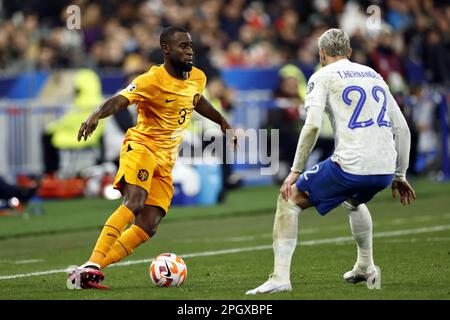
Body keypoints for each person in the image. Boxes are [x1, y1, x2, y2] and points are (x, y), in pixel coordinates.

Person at [246, 28, 416, 295]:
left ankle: (279, 277)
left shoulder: (321, 76)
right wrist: (400, 175)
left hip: (350, 165)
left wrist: (294, 171)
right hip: (383, 169)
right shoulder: (374, 75)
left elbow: (312, 126)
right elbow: (402, 129)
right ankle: (365, 266)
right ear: (349, 52)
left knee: (288, 198)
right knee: (353, 200)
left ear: (321, 53)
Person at [67, 26, 237, 289]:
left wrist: (221, 120)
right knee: (135, 201)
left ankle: (88, 272)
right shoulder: (151, 79)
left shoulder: (198, 77)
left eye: (190, 45)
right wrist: (96, 115)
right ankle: (92, 262)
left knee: (149, 224)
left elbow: (196, 100)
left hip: (166, 159)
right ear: (166, 49)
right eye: (183, 46)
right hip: (142, 147)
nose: (189, 50)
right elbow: (120, 100)